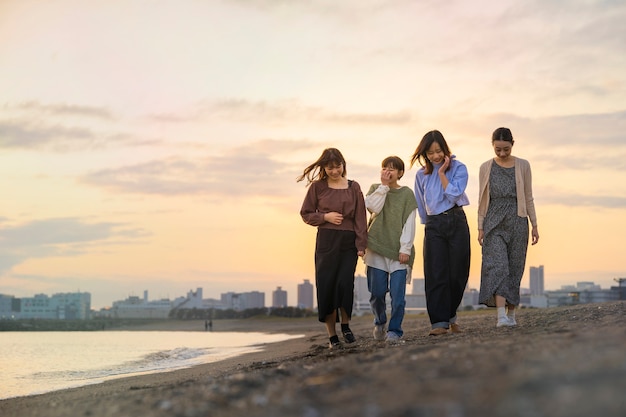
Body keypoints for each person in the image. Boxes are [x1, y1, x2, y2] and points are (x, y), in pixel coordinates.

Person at [298, 148, 367, 349]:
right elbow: (305, 213)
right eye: (330, 167)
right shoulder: (317, 187)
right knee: (327, 286)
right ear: (324, 168)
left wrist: (361, 244)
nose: (335, 171)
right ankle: (332, 336)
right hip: (327, 240)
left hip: (348, 241)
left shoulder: (354, 187)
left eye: (338, 166)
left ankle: (345, 325)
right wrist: (325, 217)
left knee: (345, 284)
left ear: (343, 165)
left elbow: (360, 218)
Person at [410, 130, 471, 336]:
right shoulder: (421, 175)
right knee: (436, 274)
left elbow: (454, 194)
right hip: (434, 224)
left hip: (456, 220)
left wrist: (442, 173)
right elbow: (420, 203)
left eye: (438, 151)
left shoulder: (459, 168)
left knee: (458, 272)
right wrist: (428, 225)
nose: (435, 156)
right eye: (430, 153)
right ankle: (439, 322)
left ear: (445, 149)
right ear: (425, 154)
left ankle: (450, 315)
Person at [478, 127, 539, 327]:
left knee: (515, 267)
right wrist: (480, 227)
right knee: (498, 267)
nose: (502, 153)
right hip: (493, 220)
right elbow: (482, 199)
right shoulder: (485, 167)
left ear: (513, 144)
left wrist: (535, 225)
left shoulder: (523, 165)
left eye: (506, 149)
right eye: (498, 150)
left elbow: (528, 196)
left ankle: (511, 315)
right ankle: (500, 317)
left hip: (518, 219)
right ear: (492, 146)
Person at [364, 156, 418, 344]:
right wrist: (384, 186)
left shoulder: (407, 194)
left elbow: (409, 223)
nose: (388, 171)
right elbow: (373, 208)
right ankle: (380, 322)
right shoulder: (375, 189)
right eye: (385, 168)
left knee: (398, 297)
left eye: (392, 169)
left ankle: (395, 331)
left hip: (398, 252)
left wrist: (406, 249)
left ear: (400, 173)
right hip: (376, 248)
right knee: (377, 293)